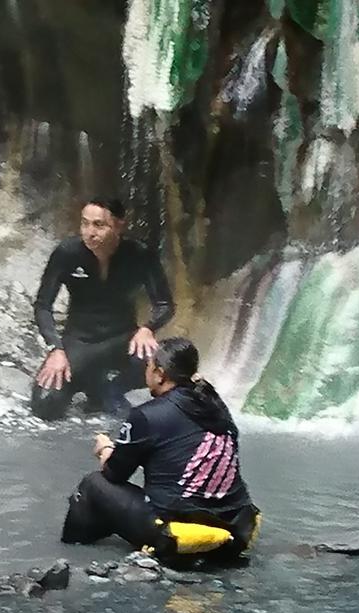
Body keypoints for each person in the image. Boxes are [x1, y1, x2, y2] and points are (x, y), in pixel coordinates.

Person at [60, 338, 260, 563]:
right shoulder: (215, 405)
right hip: (237, 530)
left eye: (149, 366)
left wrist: (105, 448)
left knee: (93, 485)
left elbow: (115, 474)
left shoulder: (146, 415)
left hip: (179, 538)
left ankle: (70, 557)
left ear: (160, 374)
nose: (146, 371)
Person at [31, 197, 176, 420]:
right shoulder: (67, 252)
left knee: (165, 364)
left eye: (99, 225)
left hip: (123, 338)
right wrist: (56, 349)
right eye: (84, 223)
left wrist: (147, 328)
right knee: (45, 406)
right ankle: (93, 384)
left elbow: (165, 304)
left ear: (119, 225)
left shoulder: (140, 254)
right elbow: (43, 306)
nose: (89, 232)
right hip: (80, 341)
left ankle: (111, 388)